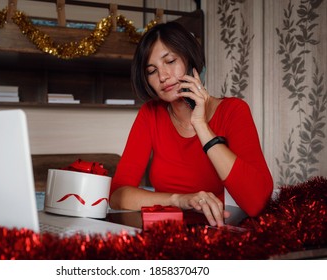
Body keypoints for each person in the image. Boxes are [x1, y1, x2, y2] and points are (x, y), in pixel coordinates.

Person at [109, 21, 273, 227]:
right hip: (167, 231)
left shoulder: (233, 110)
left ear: (189, 59)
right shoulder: (150, 114)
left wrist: (201, 125)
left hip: (220, 232)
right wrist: (178, 200)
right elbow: (117, 196)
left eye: (170, 61)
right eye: (151, 71)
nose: (162, 76)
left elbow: (256, 202)